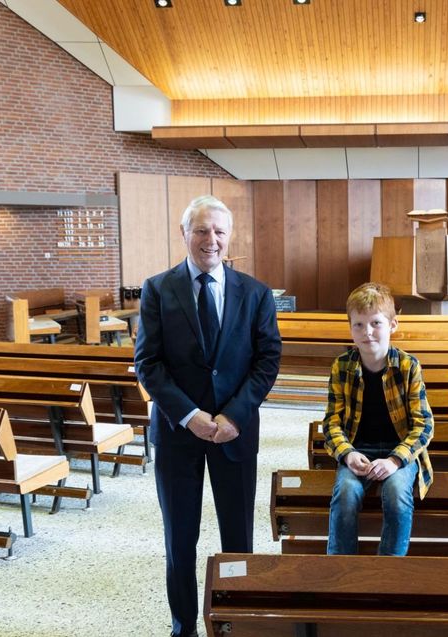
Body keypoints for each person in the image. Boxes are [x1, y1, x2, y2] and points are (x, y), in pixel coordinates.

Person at [134, 195, 281, 637]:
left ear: (229, 236)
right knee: (180, 540)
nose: (210, 240)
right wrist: (190, 414)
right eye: (201, 230)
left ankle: (238, 621)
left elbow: (267, 359)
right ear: (184, 234)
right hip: (180, 433)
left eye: (218, 231)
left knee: (238, 538)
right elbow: (149, 364)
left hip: (235, 433)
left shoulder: (254, 293)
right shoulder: (158, 289)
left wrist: (235, 415)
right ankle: (183, 626)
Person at [323, 282, 434, 556]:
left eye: (375, 323)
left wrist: (395, 460)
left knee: (396, 496)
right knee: (346, 495)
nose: (367, 332)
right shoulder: (342, 366)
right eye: (358, 325)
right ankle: (340, 568)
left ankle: (388, 571)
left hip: (400, 454)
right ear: (350, 328)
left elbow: (423, 425)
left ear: (393, 324)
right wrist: (347, 454)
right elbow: (331, 423)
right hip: (357, 452)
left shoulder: (408, 366)